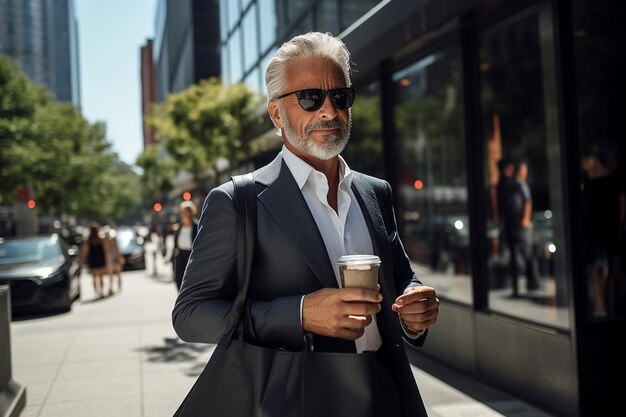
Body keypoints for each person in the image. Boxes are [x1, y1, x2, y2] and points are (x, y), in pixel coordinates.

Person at [172, 32, 439, 416]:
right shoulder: (236, 201)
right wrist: (298, 314)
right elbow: (190, 316)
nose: (329, 112)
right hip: (294, 400)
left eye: (340, 97)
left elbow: (401, 277)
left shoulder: (374, 191)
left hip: (386, 395)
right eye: (310, 98)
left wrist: (415, 310)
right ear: (277, 113)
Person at [581, 145, 626, 317]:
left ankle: (607, 305)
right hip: (598, 228)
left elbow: (622, 206)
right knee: (601, 268)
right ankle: (602, 305)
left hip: (608, 228)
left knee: (607, 268)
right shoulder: (592, 179)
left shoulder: (612, 180)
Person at [494, 157, 540, 296]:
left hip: (520, 225)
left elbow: (527, 202)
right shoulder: (504, 184)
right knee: (514, 256)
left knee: (528, 253)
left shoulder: (518, 184)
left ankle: (533, 282)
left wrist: (525, 219)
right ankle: (517, 287)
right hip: (510, 224)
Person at [166, 201, 198, 290]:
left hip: (192, 257)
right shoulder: (179, 227)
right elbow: (175, 244)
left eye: (185, 211)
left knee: (191, 281)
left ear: (191, 212)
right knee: (179, 280)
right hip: (180, 256)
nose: (183, 214)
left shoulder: (197, 226)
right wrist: (170, 257)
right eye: (182, 212)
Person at [79, 221, 110, 298]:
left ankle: (97, 292)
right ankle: (101, 292)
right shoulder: (101, 238)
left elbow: (84, 252)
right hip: (100, 259)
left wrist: (81, 262)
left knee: (94, 278)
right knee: (101, 277)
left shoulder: (88, 240)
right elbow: (106, 249)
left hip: (93, 259)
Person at [106, 227, 124, 294]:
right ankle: (111, 287)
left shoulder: (113, 240)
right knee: (111, 274)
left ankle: (118, 286)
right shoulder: (106, 241)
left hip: (114, 257)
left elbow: (117, 249)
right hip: (110, 258)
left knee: (117, 273)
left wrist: (119, 256)